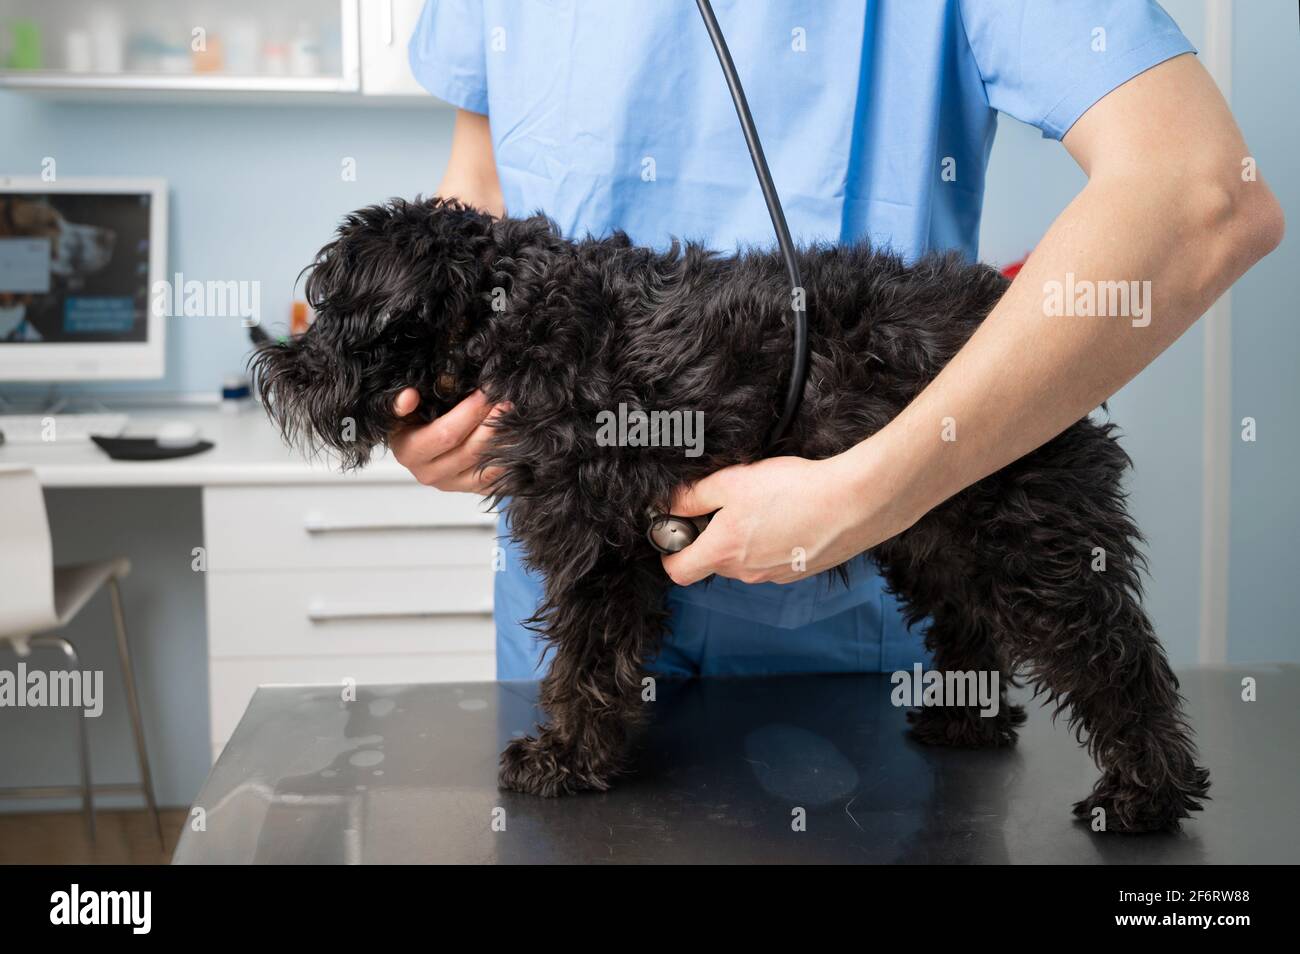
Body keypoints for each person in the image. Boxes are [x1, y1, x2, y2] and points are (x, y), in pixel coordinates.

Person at [394, 1, 1282, 681]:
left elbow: (1205, 193)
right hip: (569, 615)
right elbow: (481, 192)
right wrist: (441, 400)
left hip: (852, 624)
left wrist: (865, 496)